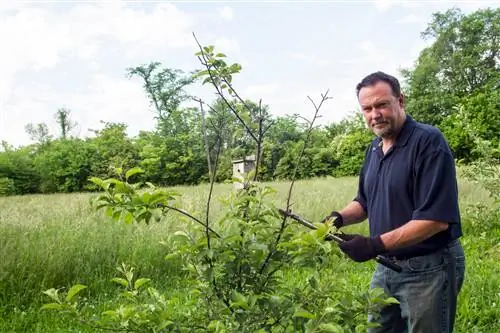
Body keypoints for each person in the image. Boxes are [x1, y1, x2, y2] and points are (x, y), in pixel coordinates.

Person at [323, 71, 466, 333]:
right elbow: (364, 202)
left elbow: (435, 220)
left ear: (400, 101)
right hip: (386, 267)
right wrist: (338, 218)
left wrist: (373, 244)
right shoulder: (375, 150)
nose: (374, 114)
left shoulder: (428, 142)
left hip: (429, 267)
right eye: (367, 108)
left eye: (381, 105)